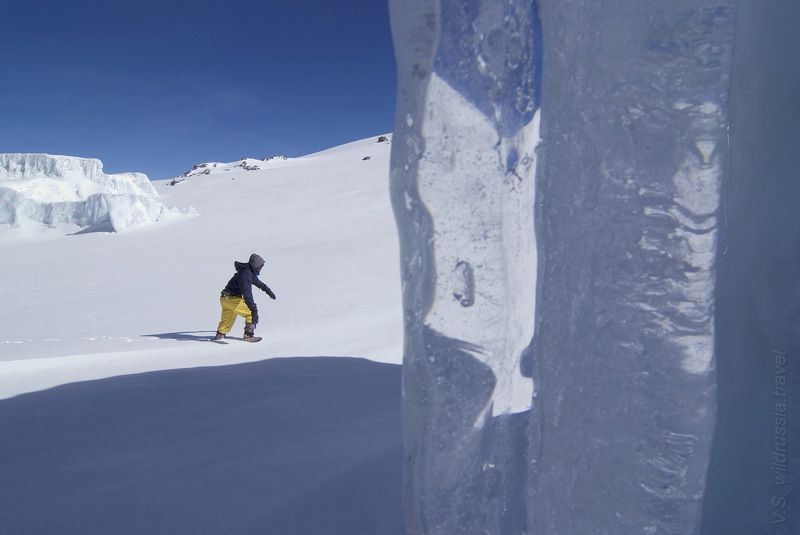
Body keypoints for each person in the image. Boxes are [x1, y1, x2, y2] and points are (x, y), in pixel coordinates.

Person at [213, 253, 276, 342]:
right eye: (260, 267)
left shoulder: (247, 272)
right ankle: (248, 335)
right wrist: (253, 309)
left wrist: (268, 291)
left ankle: (219, 337)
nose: (261, 269)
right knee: (250, 313)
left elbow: (258, 283)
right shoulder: (246, 275)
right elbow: (247, 293)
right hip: (232, 299)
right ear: (255, 266)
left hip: (224, 299)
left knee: (227, 320)